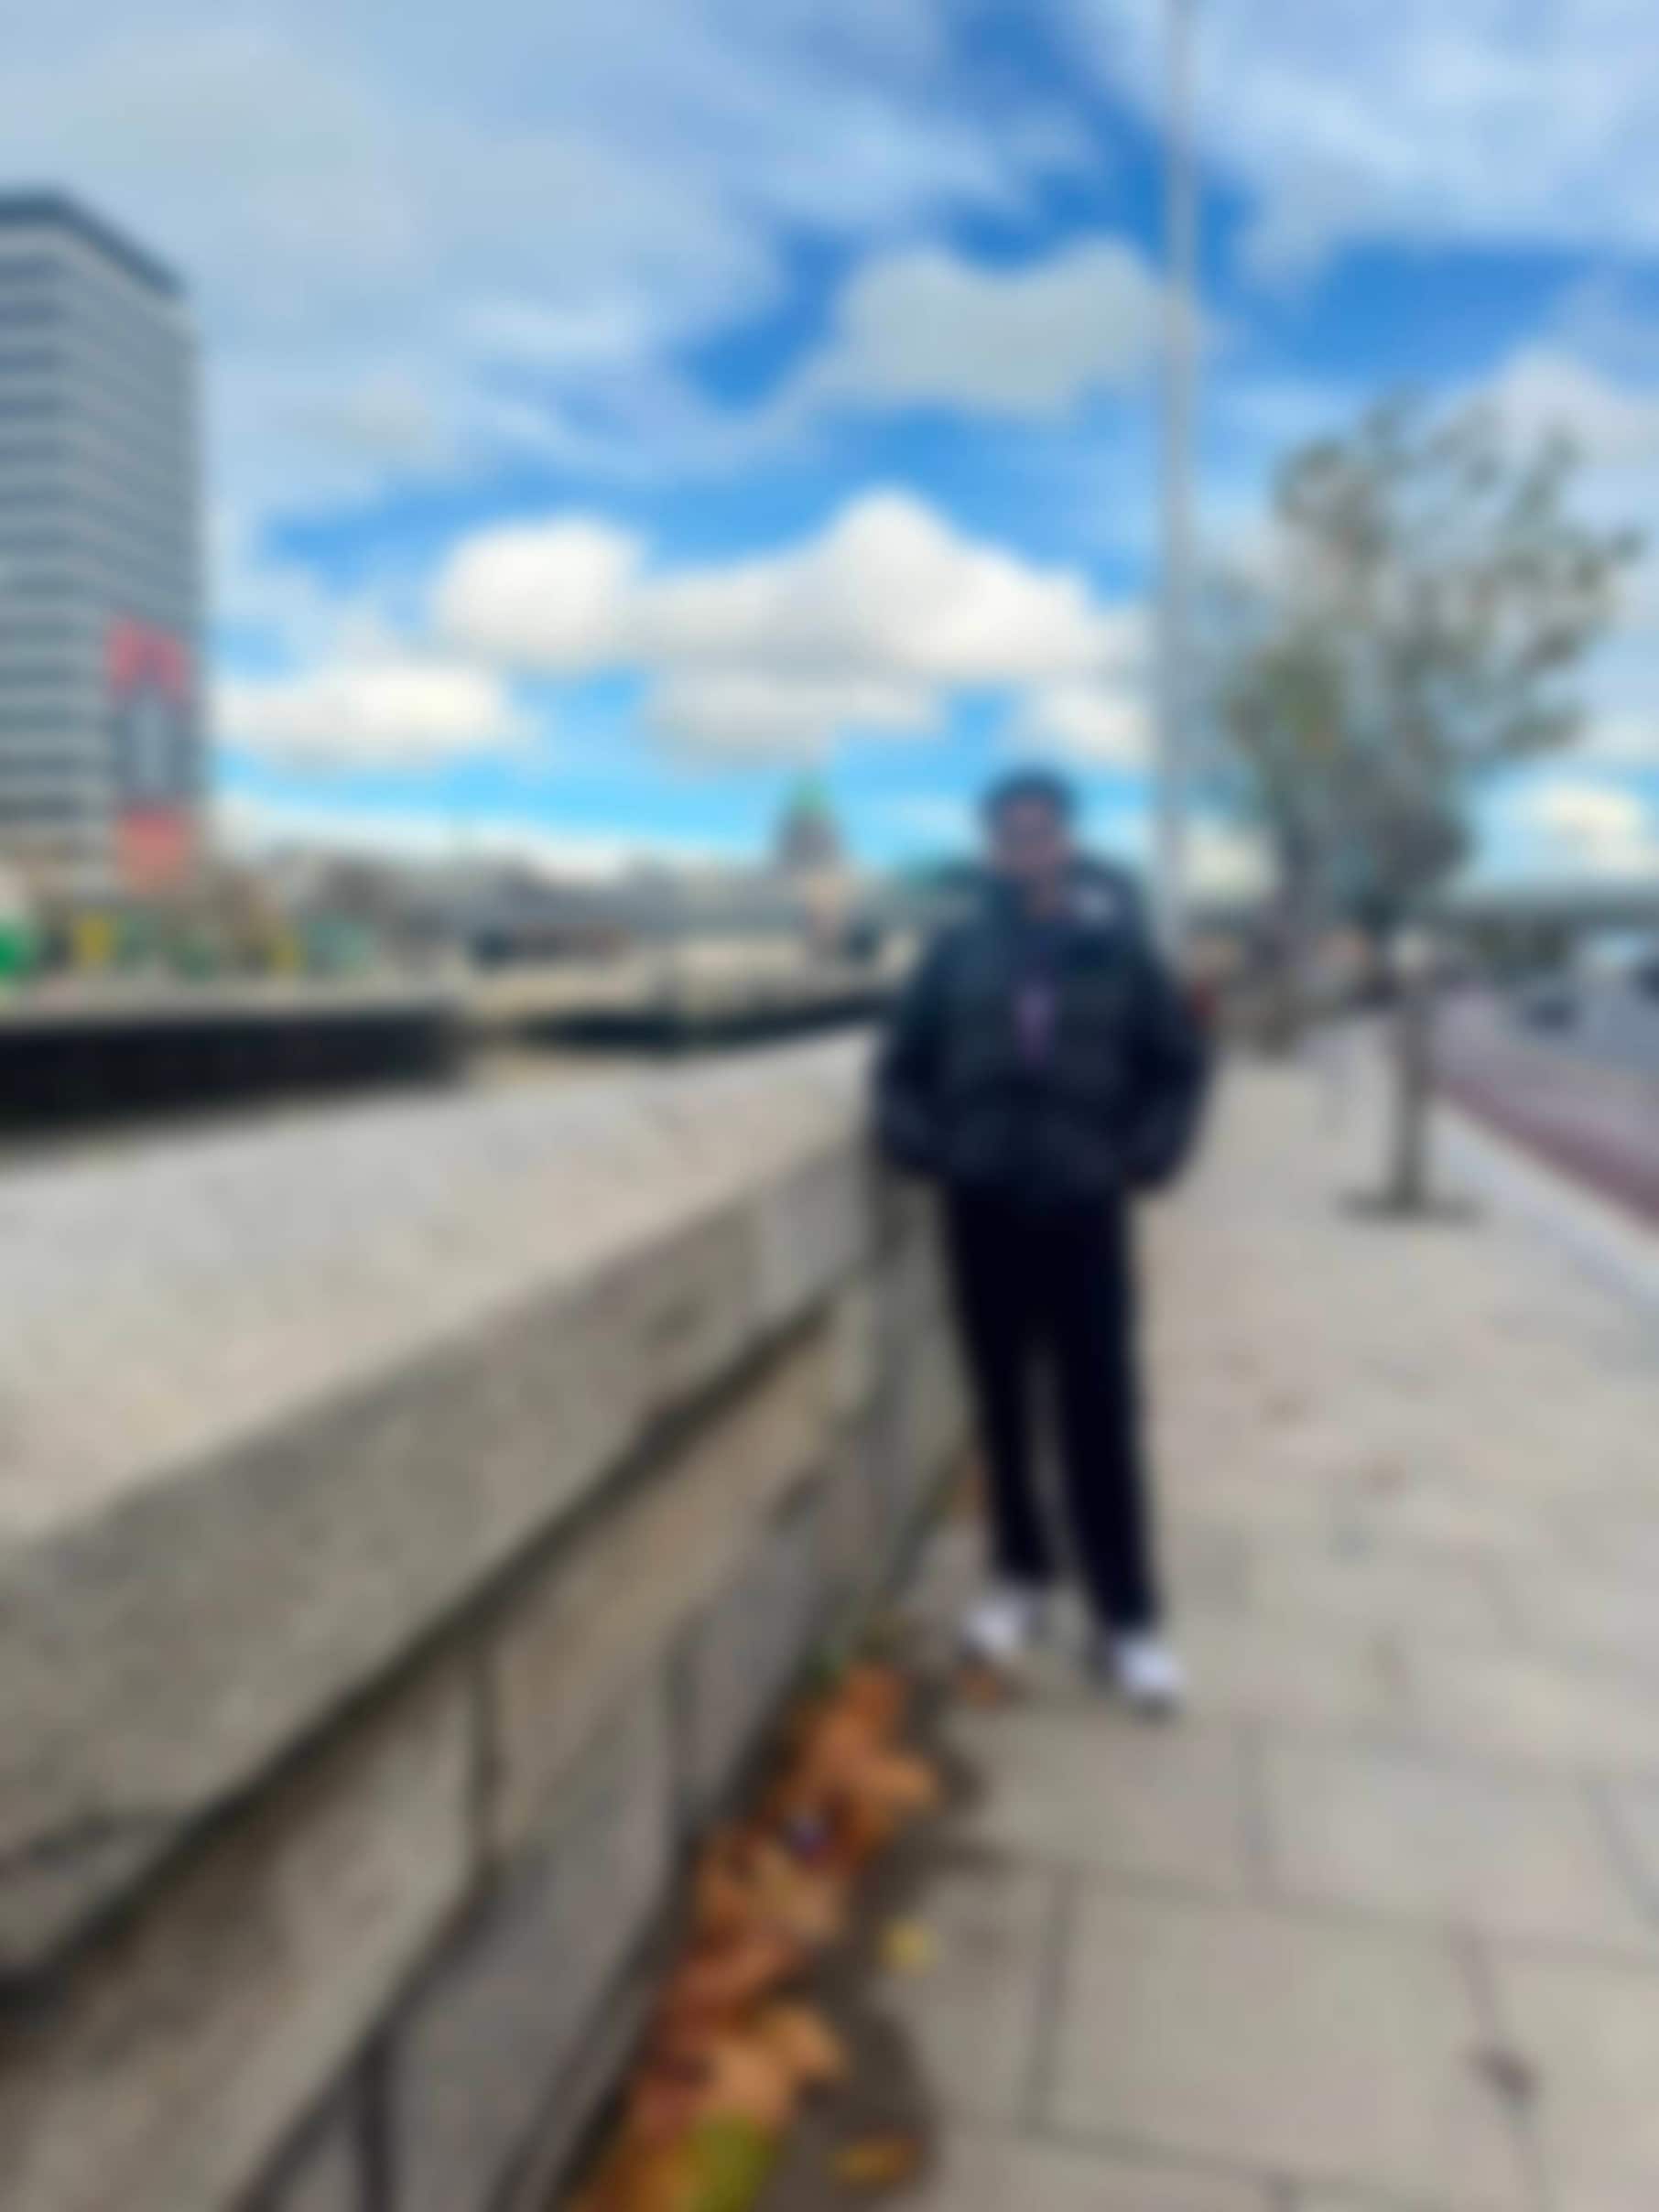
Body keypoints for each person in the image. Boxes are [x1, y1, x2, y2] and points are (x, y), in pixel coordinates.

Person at [875, 768, 1210, 1714]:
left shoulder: (1120, 948)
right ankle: (1019, 1576)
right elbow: (899, 1070)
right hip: (981, 1207)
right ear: (991, 846)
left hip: (1085, 1209)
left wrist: (1145, 1157)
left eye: (1040, 830)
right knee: (1002, 1408)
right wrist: (926, 1147)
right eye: (1008, 832)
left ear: (1066, 840)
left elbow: (1180, 1068)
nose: (1024, 846)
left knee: (1100, 1411)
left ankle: (1128, 1617)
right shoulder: (953, 954)